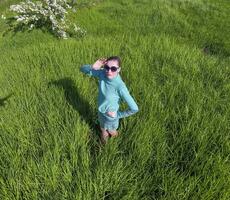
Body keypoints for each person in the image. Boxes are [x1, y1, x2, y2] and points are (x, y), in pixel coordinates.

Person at [80, 56, 139, 144]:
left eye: (113, 69)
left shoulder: (120, 87)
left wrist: (118, 115)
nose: (109, 71)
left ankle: (118, 142)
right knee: (103, 130)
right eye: (107, 67)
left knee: (111, 132)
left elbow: (134, 108)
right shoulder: (103, 73)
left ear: (119, 69)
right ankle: (104, 148)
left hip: (111, 117)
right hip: (100, 111)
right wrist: (92, 67)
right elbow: (82, 69)